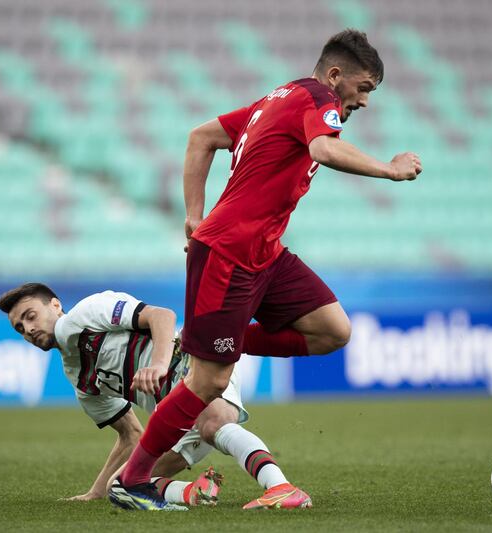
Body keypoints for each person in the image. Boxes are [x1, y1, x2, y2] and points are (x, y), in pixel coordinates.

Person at [115, 29, 422, 509]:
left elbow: (202, 138)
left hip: (266, 252)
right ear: (336, 75)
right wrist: (389, 168)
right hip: (229, 253)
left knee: (332, 331)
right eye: (363, 88)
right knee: (209, 382)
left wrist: (194, 213)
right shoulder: (316, 98)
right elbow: (321, 149)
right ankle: (132, 480)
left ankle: (203, 340)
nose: (363, 101)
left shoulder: (277, 99)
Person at [0, 282, 310, 511]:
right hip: (174, 419)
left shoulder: (85, 314)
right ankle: (195, 491)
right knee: (122, 487)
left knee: (212, 423)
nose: (28, 329)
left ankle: (280, 487)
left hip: (190, 363)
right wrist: (97, 490)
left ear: (54, 305)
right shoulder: (80, 379)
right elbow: (131, 435)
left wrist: (160, 364)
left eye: (30, 316)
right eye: (20, 328)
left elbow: (162, 316)